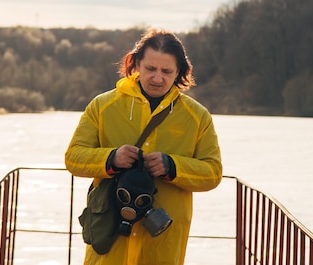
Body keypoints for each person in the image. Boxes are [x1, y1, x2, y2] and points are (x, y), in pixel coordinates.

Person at [65, 28, 222, 265]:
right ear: (136, 64)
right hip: (110, 237)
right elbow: (73, 158)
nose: (157, 78)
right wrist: (111, 159)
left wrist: (172, 167)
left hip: (163, 241)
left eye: (166, 71)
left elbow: (213, 173)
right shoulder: (103, 105)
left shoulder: (198, 116)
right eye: (151, 69)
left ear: (179, 71)